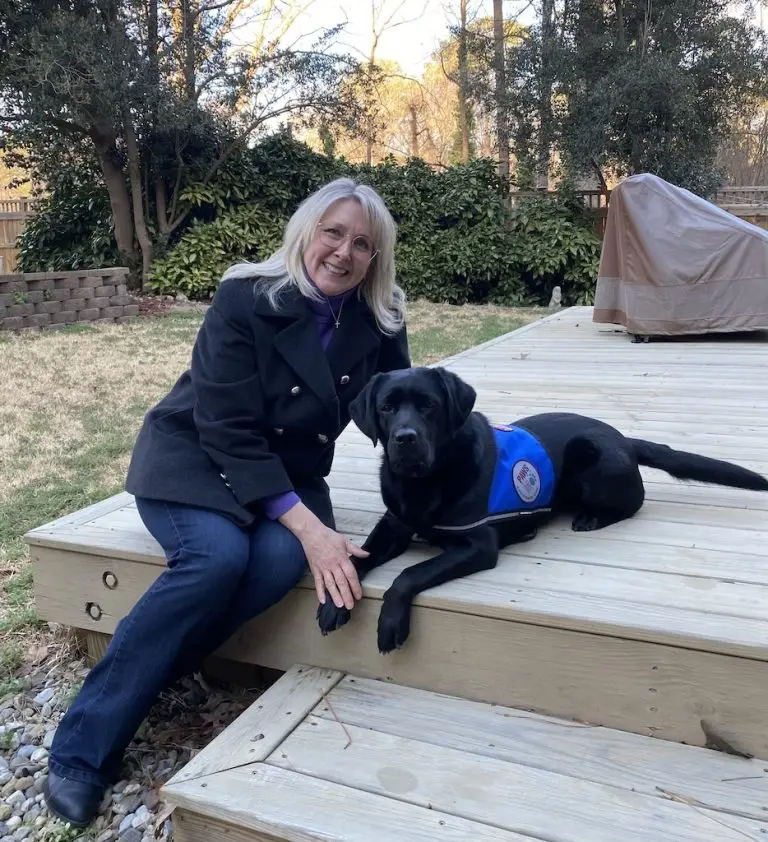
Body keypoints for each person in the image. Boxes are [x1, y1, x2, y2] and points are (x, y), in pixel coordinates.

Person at [43, 177, 410, 828]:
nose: (344, 252)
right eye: (333, 233)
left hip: (288, 473)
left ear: (374, 259)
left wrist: (447, 465)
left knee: (272, 563)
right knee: (215, 558)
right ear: (305, 233)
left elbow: (399, 404)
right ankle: (80, 752)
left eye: (362, 244)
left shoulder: (378, 320)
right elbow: (226, 427)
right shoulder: (246, 297)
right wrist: (311, 529)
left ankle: (157, 671)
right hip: (193, 456)